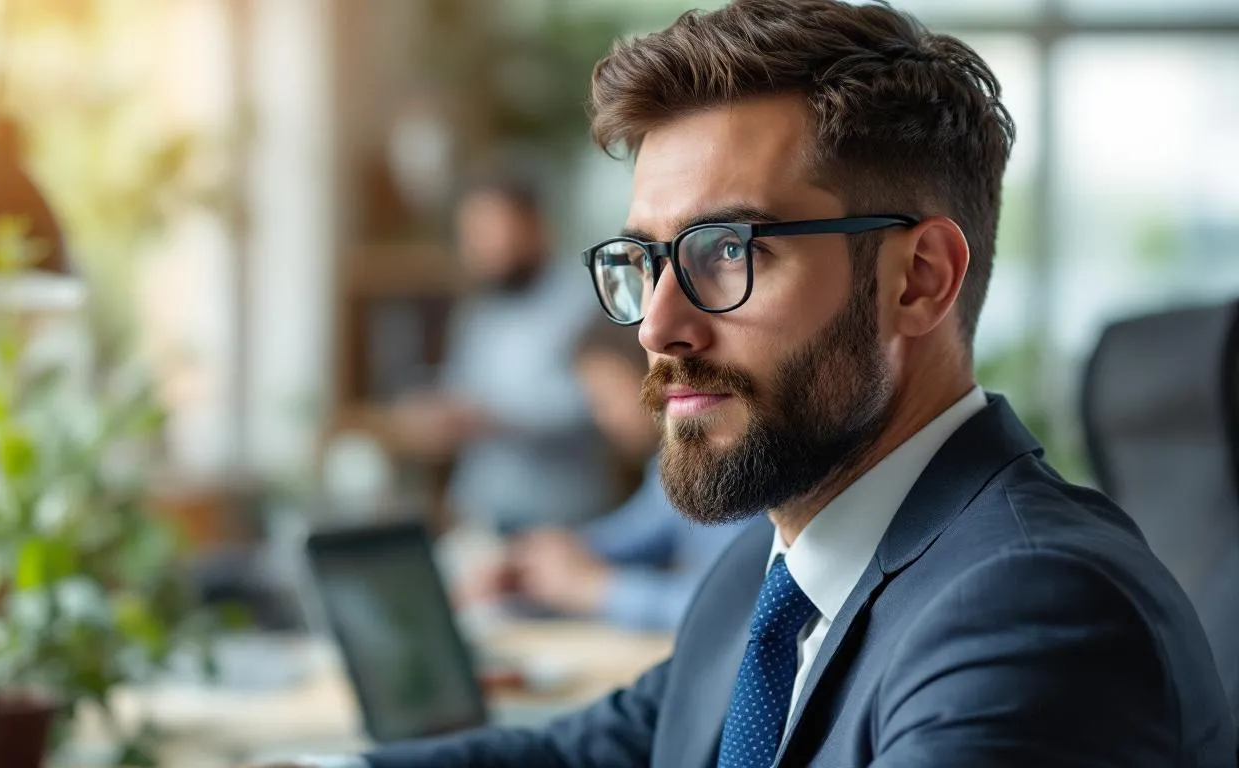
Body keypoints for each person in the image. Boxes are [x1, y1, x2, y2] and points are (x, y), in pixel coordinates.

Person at [325, 1, 1238, 765]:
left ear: (918, 279)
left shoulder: (1030, 615)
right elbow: (591, 751)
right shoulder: (769, 572)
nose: (656, 325)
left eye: (727, 251)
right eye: (645, 260)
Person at [462, 318, 751, 631]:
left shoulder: (737, 462)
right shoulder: (666, 469)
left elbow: (736, 612)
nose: (601, 416)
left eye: (607, 397)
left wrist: (597, 589)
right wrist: (533, 561)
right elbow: (632, 534)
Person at [389, 174, 615, 530]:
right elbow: (460, 388)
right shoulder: (478, 313)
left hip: (562, 518)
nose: (482, 246)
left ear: (534, 225)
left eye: (493, 229)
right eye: (472, 233)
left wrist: (494, 418)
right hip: (478, 509)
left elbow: (603, 404)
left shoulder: (584, 302)